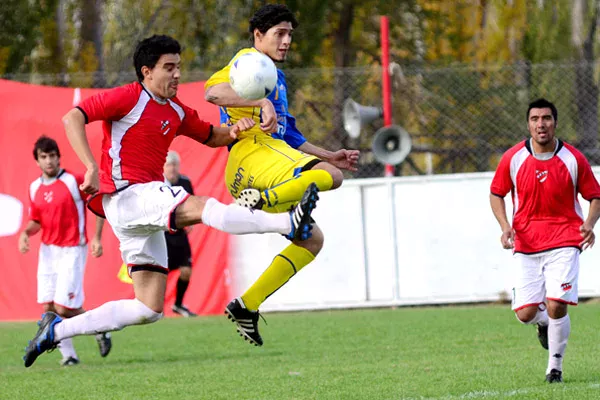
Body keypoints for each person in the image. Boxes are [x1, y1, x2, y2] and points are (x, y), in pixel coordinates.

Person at [22, 34, 319, 368]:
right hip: (128, 194)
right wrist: (91, 165)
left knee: (147, 308)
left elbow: (211, 136)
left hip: (137, 209)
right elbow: (71, 117)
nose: (177, 74)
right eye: (169, 67)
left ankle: (56, 330)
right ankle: (287, 222)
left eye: (179, 66)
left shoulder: (176, 110)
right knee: (204, 207)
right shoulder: (129, 97)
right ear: (147, 71)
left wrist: (235, 131)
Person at [204, 3, 359, 347]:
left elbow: (290, 137)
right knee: (332, 177)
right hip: (254, 152)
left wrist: (328, 154)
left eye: (290, 34)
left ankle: (247, 305)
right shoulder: (249, 61)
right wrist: (261, 102)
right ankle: (263, 199)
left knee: (311, 240)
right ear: (258, 36)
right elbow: (212, 91)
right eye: (280, 33)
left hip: (258, 164)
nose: (287, 40)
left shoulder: (275, 75)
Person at [489, 98, 600, 383]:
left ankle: (555, 368)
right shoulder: (513, 158)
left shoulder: (573, 158)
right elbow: (496, 193)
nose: (541, 124)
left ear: (555, 123)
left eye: (547, 118)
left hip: (565, 240)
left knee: (557, 303)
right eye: (536, 119)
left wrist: (588, 224)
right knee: (526, 313)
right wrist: (505, 227)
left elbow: (595, 195)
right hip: (525, 244)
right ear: (528, 124)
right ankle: (542, 323)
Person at [19, 135, 111, 366]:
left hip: (72, 248)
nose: (49, 161)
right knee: (49, 308)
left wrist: (97, 238)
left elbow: (99, 200)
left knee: (64, 307)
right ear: (37, 161)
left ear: (59, 158)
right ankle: (69, 356)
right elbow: (36, 220)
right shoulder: (34, 187)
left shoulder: (73, 181)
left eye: (52, 156)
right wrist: (25, 234)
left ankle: (100, 329)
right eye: (44, 157)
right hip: (48, 252)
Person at [163, 150, 196, 317]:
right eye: (169, 165)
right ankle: (155, 308)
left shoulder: (185, 182)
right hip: (162, 234)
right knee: (161, 273)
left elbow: (192, 203)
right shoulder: (158, 184)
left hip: (180, 233)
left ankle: (178, 304)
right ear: (164, 167)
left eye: (175, 165)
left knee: (186, 270)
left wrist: (191, 221)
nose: (173, 168)